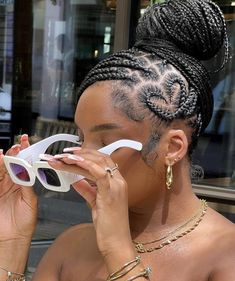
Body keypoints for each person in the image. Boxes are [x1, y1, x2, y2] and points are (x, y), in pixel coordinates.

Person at [0, 0, 235, 280]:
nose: (80, 159)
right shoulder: (70, 247)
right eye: (81, 138)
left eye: (105, 142)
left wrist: (117, 250)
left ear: (172, 147)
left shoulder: (225, 253)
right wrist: (11, 244)